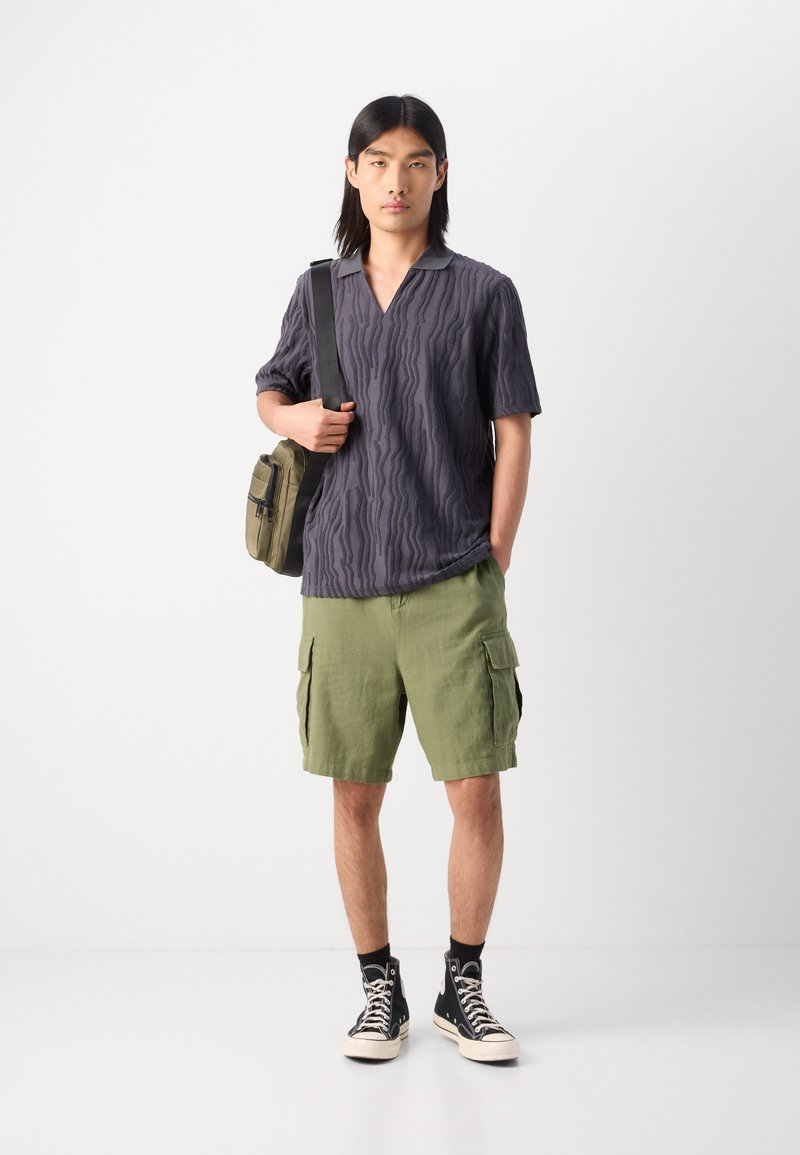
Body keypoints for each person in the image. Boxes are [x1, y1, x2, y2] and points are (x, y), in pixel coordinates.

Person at [254, 94, 541, 1064]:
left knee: (475, 790)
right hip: (339, 578)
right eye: (377, 161)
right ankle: (379, 988)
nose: (395, 180)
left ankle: (464, 985)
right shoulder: (319, 292)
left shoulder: (483, 292)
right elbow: (271, 387)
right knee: (353, 796)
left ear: (439, 175)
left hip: (452, 580)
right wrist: (292, 419)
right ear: (352, 174)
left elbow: (512, 431)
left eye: (416, 162)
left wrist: (494, 553)